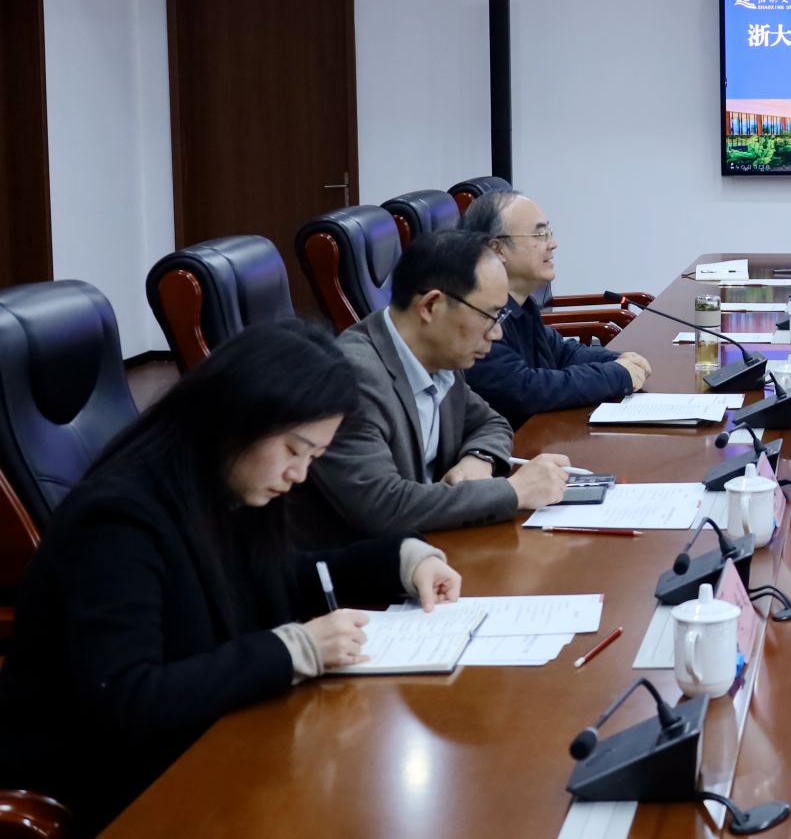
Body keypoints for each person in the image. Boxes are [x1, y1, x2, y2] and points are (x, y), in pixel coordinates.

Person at [0, 321, 464, 834]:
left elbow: (274, 579)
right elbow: (129, 699)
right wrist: (293, 650)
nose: (300, 474)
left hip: (208, 746)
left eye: (313, 457)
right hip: (116, 788)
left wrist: (401, 559)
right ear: (238, 417)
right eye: (294, 450)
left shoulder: (220, 482)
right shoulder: (117, 520)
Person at [301, 229, 570, 542]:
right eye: (490, 315)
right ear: (431, 306)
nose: (496, 333)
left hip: (440, 543)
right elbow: (382, 506)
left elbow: (491, 422)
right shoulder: (353, 378)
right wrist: (513, 492)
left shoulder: (438, 354)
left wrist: (478, 460)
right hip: (376, 563)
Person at [459, 190, 651, 427]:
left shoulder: (521, 306)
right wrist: (617, 374)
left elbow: (561, 353)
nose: (553, 244)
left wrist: (621, 360)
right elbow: (525, 390)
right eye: (540, 235)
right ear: (497, 249)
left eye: (549, 233)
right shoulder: (478, 318)